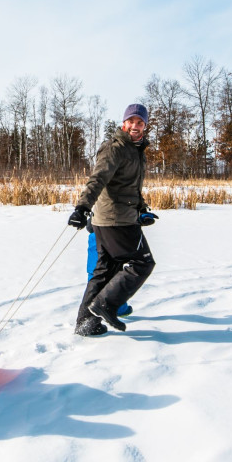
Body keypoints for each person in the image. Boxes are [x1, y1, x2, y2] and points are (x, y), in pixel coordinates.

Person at [68, 103, 159, 336]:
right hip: (115, 219)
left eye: (140, 122)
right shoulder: (115, 148)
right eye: (131, 122)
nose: (135, 126)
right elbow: (97, 179)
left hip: (118, 217)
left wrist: (141, 211)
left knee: (106, 270)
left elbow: (128, 188)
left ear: (145, 126)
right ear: (123, 123)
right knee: (143, 263)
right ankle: (107, 304)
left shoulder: (136, 150)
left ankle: (85, 322)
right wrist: (82, 207)